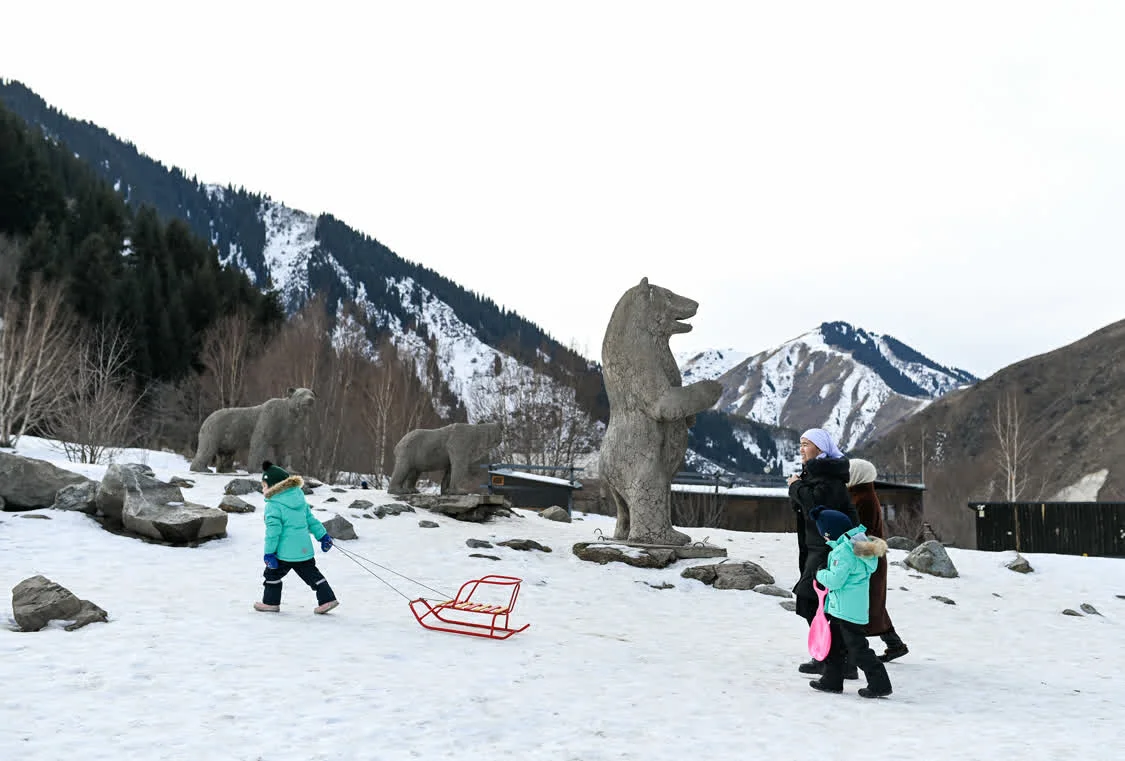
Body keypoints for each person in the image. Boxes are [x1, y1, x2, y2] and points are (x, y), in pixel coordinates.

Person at [787, 428, 859, 675]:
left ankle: (833, 659)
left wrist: (796, 486)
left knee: (812, 600)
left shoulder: (829, 477)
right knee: (820, 603)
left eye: (806, 444)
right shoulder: (817, 474)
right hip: (816, 546)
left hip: (829, 549)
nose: (801, 449)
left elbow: (814, 505)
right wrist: (799, 486)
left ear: (820, 449)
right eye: (800, 444)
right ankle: (833, 657)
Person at [807, 506, 893, 698]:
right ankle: (831, 680)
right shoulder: (857, 546)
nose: (825, 540)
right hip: (849, 608)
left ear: (831, 533)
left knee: (857, 650)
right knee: (835, 646)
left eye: (825, 536)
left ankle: (880, 683)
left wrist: (820, 574)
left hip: (845, 610)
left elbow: (835, 581)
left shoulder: (843, 552)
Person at [253, 461, 339, 614]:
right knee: (312, 574)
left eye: (264, 486)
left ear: (274, 487)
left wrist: (269, 553)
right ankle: (327, 599)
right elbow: (311, 521)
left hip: (283, 553)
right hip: (303, 550)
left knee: (272, 574)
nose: (262, 489)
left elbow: (273, 533)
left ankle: (271, 603)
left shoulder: (273, 505)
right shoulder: (300, 500)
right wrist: (323, 536)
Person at [847, 458, 909, 663]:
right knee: (874, 603)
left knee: (868, 603)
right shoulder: (861, 494)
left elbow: (862, 532)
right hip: (870, 557)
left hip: (868, 558)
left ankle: (853, 649)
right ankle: (895, 645)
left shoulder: (862, 498)